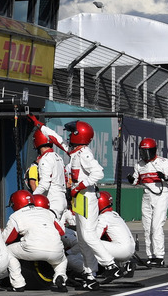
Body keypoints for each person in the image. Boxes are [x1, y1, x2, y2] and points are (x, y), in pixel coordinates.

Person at [65, 120, 122, 284]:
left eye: (72, 133)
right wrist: (42, 127)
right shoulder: (75, 153)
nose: (69, 136)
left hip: (86, 197)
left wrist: (79, 187)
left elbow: (98, 173)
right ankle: (90, 273)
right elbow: (58, 141)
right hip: (79, 199)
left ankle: (111, 266)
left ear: (79, 134)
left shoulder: (84, 153)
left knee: (89, 235)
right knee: (82, 238)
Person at [2, 190, 68, 293]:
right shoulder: (47, 212)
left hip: (33, 249)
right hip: (56, 248)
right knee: (62, 260)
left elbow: (7, 239)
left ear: (16, 203)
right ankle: (60, 277)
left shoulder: (16, 216)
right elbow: (61, 231)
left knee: (7, 251)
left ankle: (18, 284)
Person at [127, 138, 168, 266]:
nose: (145, 155)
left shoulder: (163, 162)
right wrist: (131, 179)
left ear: (154, 151)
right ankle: (150, 255)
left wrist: (164, 177)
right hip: (147, 195)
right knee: (147, 226)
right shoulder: (139, 164)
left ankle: (159, 256)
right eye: (143, 152)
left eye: (148, 152)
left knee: (156, 226)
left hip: (161, 194)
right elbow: (136, 181)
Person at [96, 191, 136, 277]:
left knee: (92, 243)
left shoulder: (103, 217)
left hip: (122, 250)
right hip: (130, 249)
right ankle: (125, 265)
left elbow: (95, 236)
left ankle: (110, 268)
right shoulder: (114, 215)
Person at [31, 127, 67, 219]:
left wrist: (31, 198)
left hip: (53, 200)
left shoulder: (45, 159)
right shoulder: (58, 157)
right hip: (62, 199)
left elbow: (44, 184)